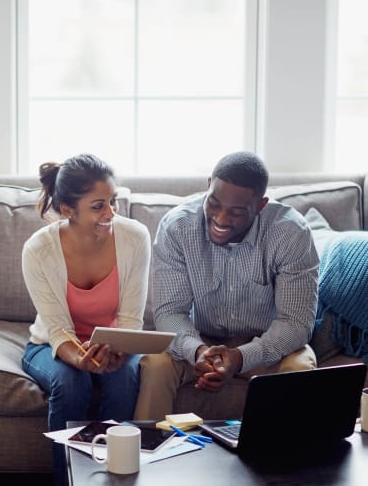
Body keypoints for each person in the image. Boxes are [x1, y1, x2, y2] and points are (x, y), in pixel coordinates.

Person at [134, 151, 319, 421]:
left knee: (300, 366)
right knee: (157, 363)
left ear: (260, 205)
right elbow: (169, 312)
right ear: (208, 184)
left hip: (265, 347)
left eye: (236, 212)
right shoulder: (177, 227)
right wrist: (197, 351)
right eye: (215, 203)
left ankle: (283, 460)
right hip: (201, 342)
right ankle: (149, 455)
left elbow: (296, 323)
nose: (221, 219)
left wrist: (240, 358)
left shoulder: (291, 234)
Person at [21, 153, 150, 484]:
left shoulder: (135, 237)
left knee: (123, 378)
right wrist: (81, 358)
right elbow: (58, 329)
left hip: (115, 341)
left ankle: (115, 478)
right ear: (68, 210)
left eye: (113, 202)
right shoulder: (38, 250)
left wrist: (117, 349)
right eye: (98, 206)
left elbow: (130, 319)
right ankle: (69, 480)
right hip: (53, 345)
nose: (111, 214)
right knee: (70, 382)